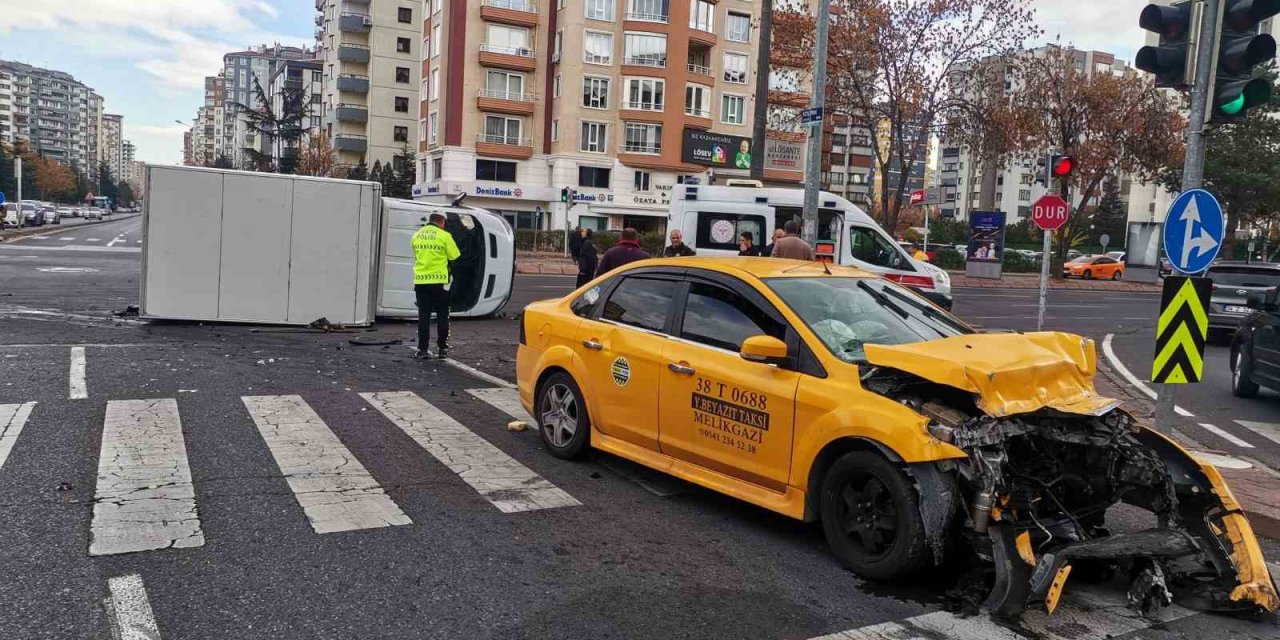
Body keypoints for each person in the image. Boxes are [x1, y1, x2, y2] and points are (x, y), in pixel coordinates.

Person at [411, 212, 461, 359]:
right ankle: (442, 349)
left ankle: (422, 350)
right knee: (442, 315)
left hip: (421, 281)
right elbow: (455, 257)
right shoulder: (445, 236)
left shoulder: (417, 235)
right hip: (439, 283)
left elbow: (417, 255)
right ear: (442, 222)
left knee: (423, 316)